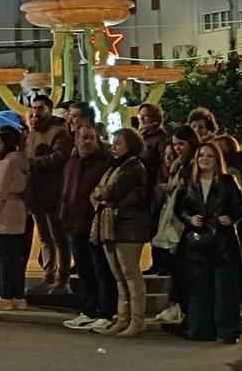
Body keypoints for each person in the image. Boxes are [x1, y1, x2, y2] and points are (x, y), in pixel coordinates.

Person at [175, 141, 242, 343]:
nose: (204, 159)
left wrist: (230, 218)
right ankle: (200, 329)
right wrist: (190, 219)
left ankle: (228, 331)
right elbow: (179, 208)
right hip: (197, 242)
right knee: (199, 289)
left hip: (222, 242)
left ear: (217, 159)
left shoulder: (227, 181)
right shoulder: (189, 182)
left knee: (225, 290)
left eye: (209, 156)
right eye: (201, 156)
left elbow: (239, 205)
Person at [92, 128, 151, 337]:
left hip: (129, 227)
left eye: (118, 143)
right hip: (111, 226)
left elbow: (108, 192)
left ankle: (137, 320)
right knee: (119, 276)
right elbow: (96, 192)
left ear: (130, 146)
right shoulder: (114, 168)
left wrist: (103, 196)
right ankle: (122, 317)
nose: (113, 147)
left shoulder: (133, 167)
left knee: (130, 274)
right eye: (113, 143)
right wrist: (101, 196)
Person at [60, 120, 116, 331]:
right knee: (84, 270)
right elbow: (66, 192)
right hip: (75, 225)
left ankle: (106, 311)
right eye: (84, 138)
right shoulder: (72, 163)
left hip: (95, 226)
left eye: (92, 138)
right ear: (76, 139)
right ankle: (89, 309)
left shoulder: (104, 163)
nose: (88, 142)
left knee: (101, 270)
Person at [154, 125, 201, 325]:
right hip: (176, 221)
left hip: (187, 224)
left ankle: (189, 313)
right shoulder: (179, 166)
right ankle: (181, 309)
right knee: (178, 270)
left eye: (181, 144)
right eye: (174, 144)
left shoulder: (192, 167)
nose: (177, 148)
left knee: (186, 272)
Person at [26, 94, 73, 294]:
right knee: (45, 237)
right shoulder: (31, 133)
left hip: (53, 191)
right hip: (35, 191)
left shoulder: (58, 132)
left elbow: (60, 157)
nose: (36, 111)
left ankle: (63, 278)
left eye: (41, 108)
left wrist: (35, 163)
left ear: (49, 109)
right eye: (34, 107)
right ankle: (48, 275)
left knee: (59, 237)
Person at [0, 127, 30, 311]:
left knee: (4, 260)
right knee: (16, 259)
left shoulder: (5, 165)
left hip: (3, 216)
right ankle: (18, 296)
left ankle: (5, 296)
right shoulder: (19, 162)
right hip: (17, 214)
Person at [213, 133, 242, 322]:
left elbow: (237, 200)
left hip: (232, 225)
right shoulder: (239, 168)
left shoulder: (231, 172)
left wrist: (231, 217)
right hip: (234, 223)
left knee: (236, 266)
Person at [137, 103, 170, 274]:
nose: (142, 119)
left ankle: (162, 262)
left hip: (153, 186)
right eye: (140, 115)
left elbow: (163, 161)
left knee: (156, 224)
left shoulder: (160, 137)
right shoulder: (139, 136)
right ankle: (157, 262)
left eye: (146, 116)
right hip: (142, 186)